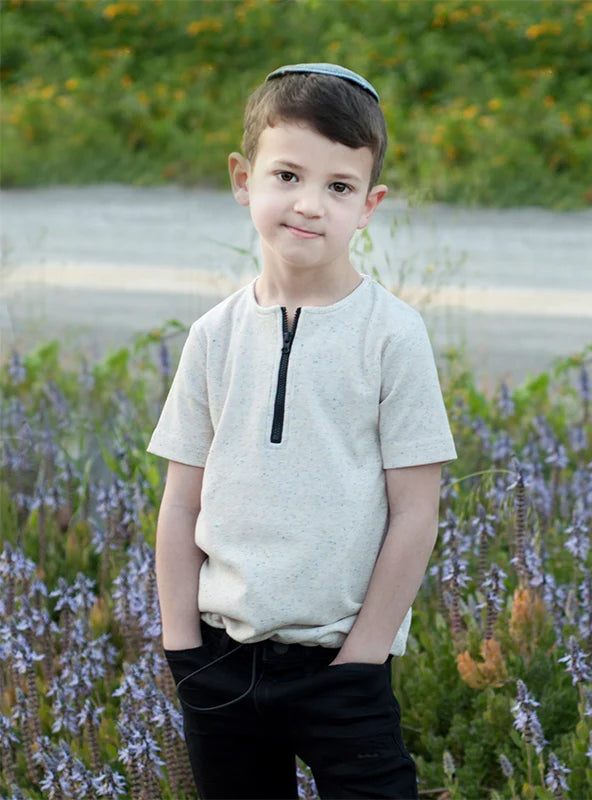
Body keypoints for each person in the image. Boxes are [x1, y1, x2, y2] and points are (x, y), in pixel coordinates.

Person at [147, 63, 457, 800]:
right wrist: (181, 645)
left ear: (370, 204)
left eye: (339, 186)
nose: (309, 204)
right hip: (221, 658)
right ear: (241, 178)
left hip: (341, 666)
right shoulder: (213, 336)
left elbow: (417, 510)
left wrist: (364, 655)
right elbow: (181, 502)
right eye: (286, 175)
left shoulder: (392, 336)